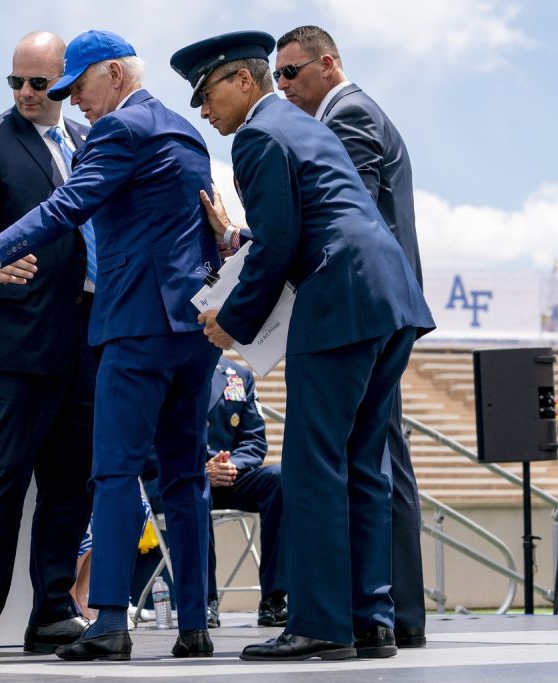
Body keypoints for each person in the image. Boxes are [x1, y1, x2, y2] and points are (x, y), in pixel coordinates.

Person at [0, 29, 219, 661]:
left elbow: (64, 207)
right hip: (135, 334)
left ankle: (101, 617)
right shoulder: (186, 132)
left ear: (112, 75)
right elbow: (203, 223)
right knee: (182, 479)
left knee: (100, 478)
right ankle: (192, 623)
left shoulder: (108, 133)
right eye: (23, 83)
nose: (60, 97)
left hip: (121, 333)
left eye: (67, 84)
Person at [170, 31, 434, 661]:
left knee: (314, 466)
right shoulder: (306, 125)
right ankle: (370, 619)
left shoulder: (260, 136)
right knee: (364, 465)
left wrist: (231, 321)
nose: (204, 112)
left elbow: (280, 242)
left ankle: (319, 622)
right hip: (389, 298)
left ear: (241, 81)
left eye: (207, 95)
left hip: (338, 303)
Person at [0, 31, 95, 656]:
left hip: (87, 337)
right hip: (14, 339)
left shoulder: (90, 141)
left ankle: (52, 608)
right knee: (4, 476)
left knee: (71, 480)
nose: (27, 93)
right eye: (16, 82)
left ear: (65, 81)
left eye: (39, 82)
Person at [271, 25, 426, 648]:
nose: (281, 88)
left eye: (291, 73)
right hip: (386, 309)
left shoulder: (351, 113)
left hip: (362, 309)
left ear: (328, 64)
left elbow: (344, 210)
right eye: (276, 76)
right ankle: (389, 617)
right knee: (378, 460)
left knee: (359, 463)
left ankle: (365, 615)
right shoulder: (353, 112)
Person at [203, 358, 286, 629]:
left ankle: (275, 599)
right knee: (194, 493)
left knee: (280, 479)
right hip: (184, 477)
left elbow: (255, 439)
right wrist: (202, 470)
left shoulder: (237, 375)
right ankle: (203, 601)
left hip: (230, 476)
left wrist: (230, 466)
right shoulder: (165, 366)